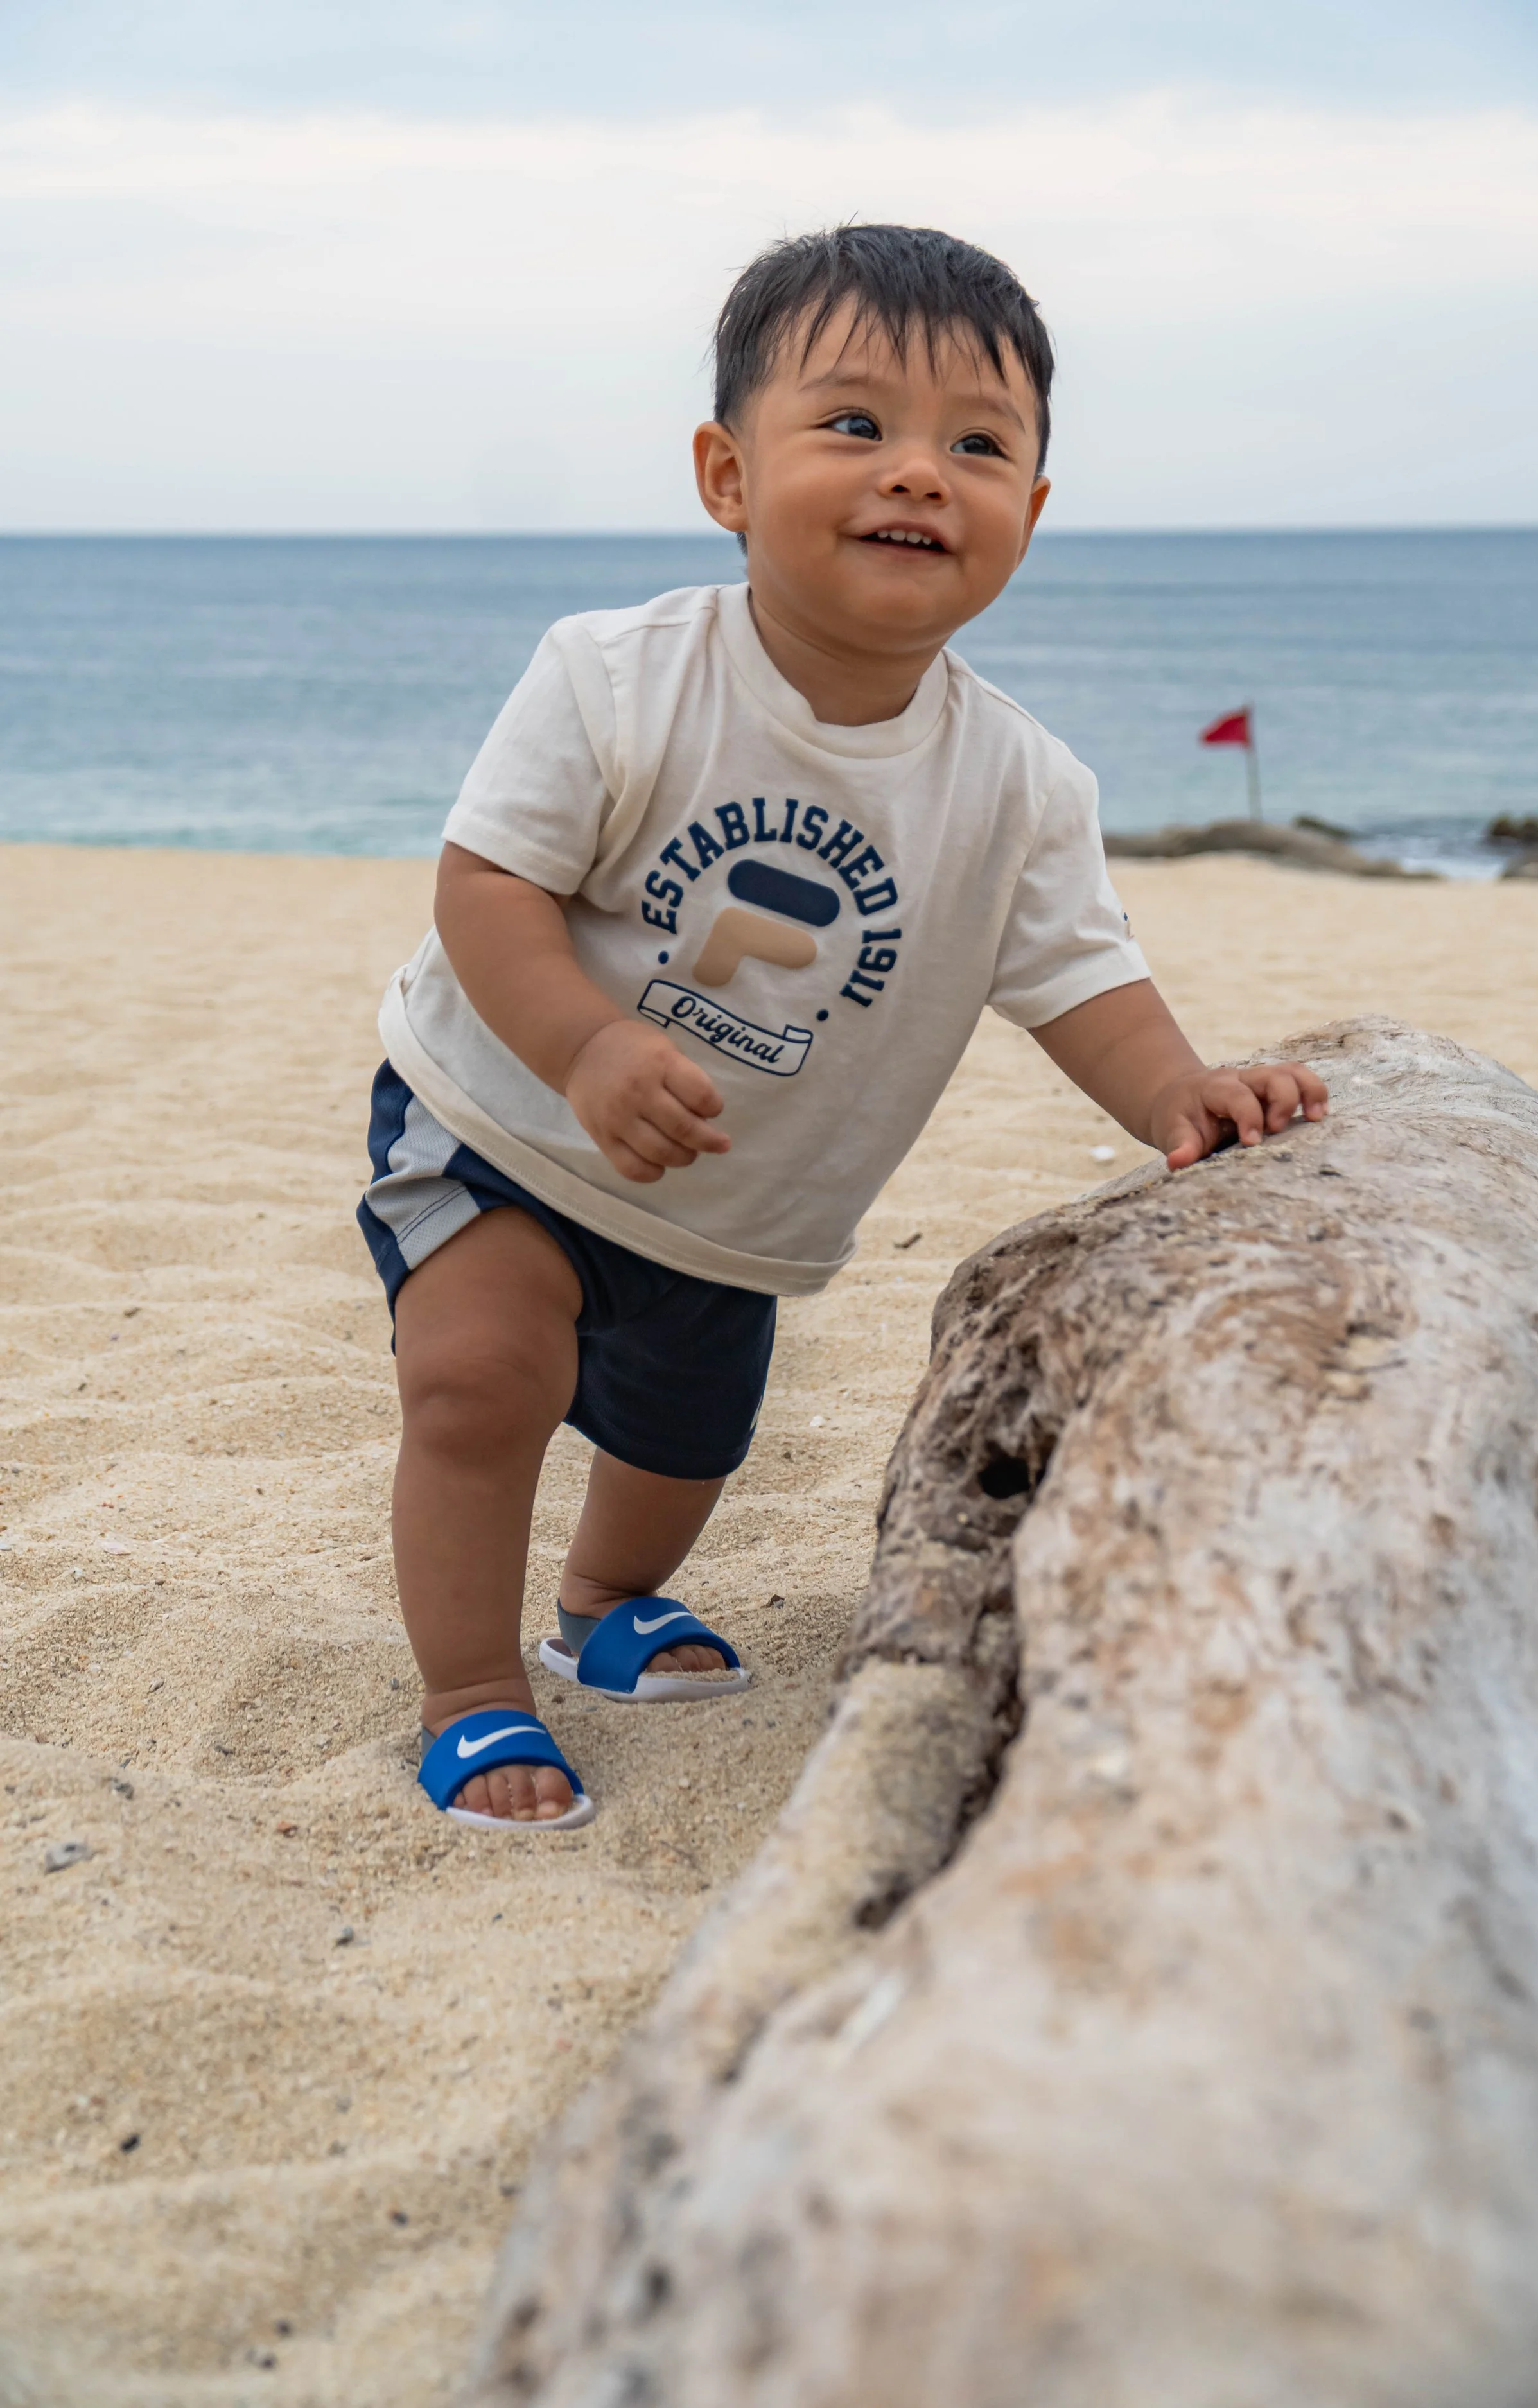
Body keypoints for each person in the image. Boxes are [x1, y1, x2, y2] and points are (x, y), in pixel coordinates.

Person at [359, 222, 1327, 1831]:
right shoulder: (616, 677)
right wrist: (587, 1047)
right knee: (476, 1377)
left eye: (978, 443)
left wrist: (1178, 1087)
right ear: (726, 476)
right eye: (855, 424)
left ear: (1032, 507)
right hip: (502, 1123)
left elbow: (1079, 979)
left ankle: (603, 1604)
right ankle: (471, 1689)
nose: (919, 473)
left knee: (681, 1444)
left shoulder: (1017, 784)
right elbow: (487, 887)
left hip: (736, 1208)